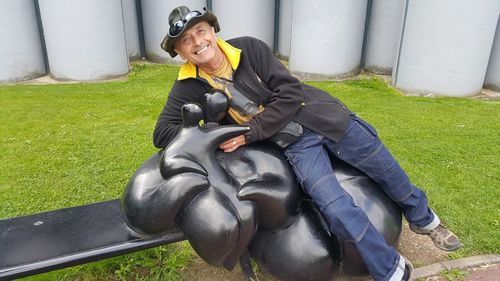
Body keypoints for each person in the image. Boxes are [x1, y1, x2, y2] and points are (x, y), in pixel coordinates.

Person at [154, 6, 462, 281]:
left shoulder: (248, 49)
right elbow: (162, 133)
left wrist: (248, 131)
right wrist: (211, 128)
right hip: (294, 144)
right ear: (180, 51)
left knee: (386, 169)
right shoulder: (188, 84)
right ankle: (392, 269)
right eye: (186, 41)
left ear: (212, 30)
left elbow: (290, 93)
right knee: (336, 207)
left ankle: (425, 220)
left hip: (323, 118)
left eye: (200, 31)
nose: (197, 43)